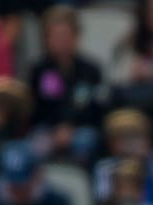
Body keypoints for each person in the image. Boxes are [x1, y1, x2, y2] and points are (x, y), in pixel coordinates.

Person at [29, 6, 103, 165]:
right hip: (47, 129)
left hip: (80, 129)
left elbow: (95, 108)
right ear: (46, 39)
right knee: (36, 145)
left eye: (66, 36)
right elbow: (35, 110)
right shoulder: (38, 70)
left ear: (76, 36)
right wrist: (56, 131)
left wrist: (70, 128)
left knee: (86, 142)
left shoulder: (92, 71)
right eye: (56, 36)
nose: (61, 41)